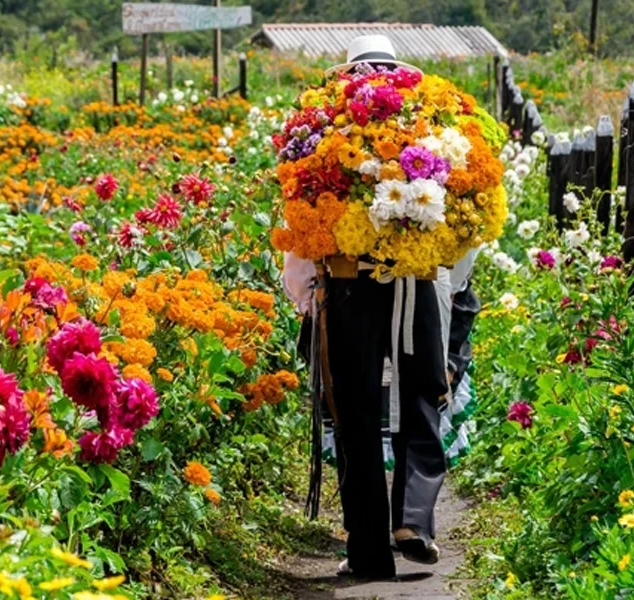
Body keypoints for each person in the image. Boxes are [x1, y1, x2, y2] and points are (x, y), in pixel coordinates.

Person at [283, 34, 455, 581]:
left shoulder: (320, 130)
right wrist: (441, 276)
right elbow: (460, 227)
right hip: (412, 282)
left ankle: (370, 549)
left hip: (349, 284)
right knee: (421, 396)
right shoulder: (430, 126)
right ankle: (412, 522)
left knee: (355, 410)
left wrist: (307, 297)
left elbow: (299, 222)